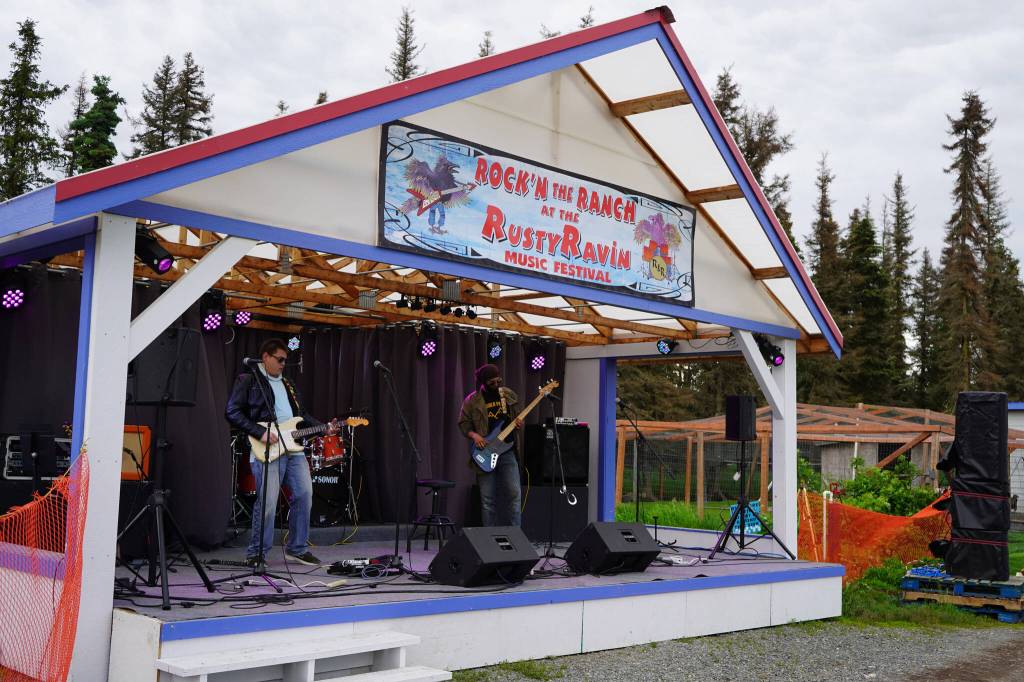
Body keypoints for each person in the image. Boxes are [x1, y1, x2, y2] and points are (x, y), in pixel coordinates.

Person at [225, 338, 334, 566]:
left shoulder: (289, 384)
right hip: (267, 447)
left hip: (292, 448)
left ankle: (297, 548)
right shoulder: (249, 379)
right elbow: (232, 412)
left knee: (305, 495)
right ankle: (257, 553)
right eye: (280, 359)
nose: (284, 364)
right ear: (265, 357)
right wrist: (258, 432)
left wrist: (324, 427)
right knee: (268, 502)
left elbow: (301, 417)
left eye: (286, 360)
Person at [458, 364, 524, 526]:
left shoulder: (507, 395)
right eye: (491, 383)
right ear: (482, 383)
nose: (496, 385)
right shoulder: (472, 401)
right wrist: (475, 436)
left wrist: (519, 423)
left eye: (498, 381)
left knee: (514, 495)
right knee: (487, 500)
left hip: (507, 450)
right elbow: (463, 424)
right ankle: (489, 539)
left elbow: (518, 416)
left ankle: (515, 536)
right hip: (485, 451)